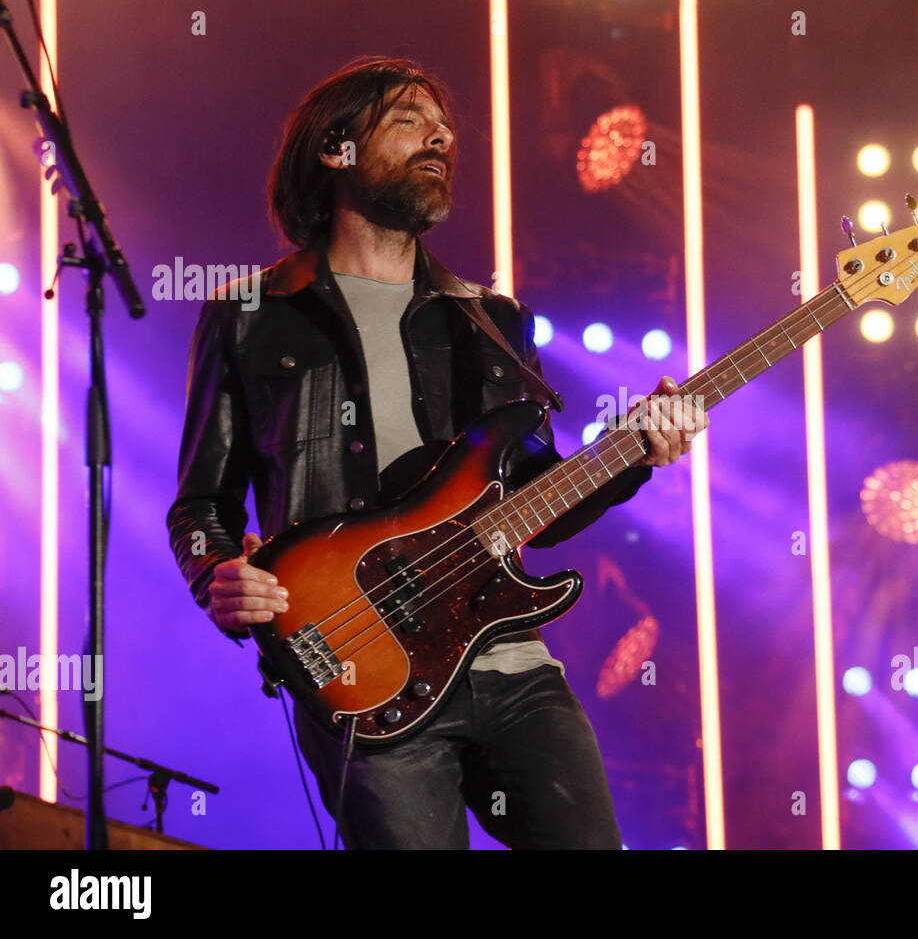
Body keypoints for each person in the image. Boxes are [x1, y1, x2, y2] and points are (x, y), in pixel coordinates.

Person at [165, 56, 707, 848]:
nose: (441, 134)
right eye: (408, 119)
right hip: (362, 667)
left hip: (511, 662)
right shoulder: (248, 316)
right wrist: (216, 573)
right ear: (335, 150)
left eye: (443, 125)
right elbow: (201, 504)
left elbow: (533, 507)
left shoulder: (492, 319)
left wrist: (633, 455)